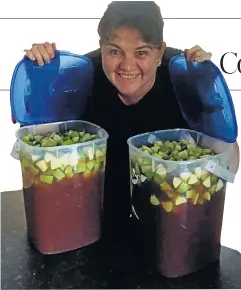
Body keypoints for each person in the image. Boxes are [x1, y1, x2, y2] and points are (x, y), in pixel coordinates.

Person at [23, 1, 239, 241]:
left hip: (171, 231)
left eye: (141, 52)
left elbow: (228, 167)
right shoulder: (78, 80)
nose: (127, 65)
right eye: (115, 51)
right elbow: (40, 150)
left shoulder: (185, 79)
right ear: (101, 47)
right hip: (91, 228)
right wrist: (41, 83)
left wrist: (210, 101)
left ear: (160, 52)